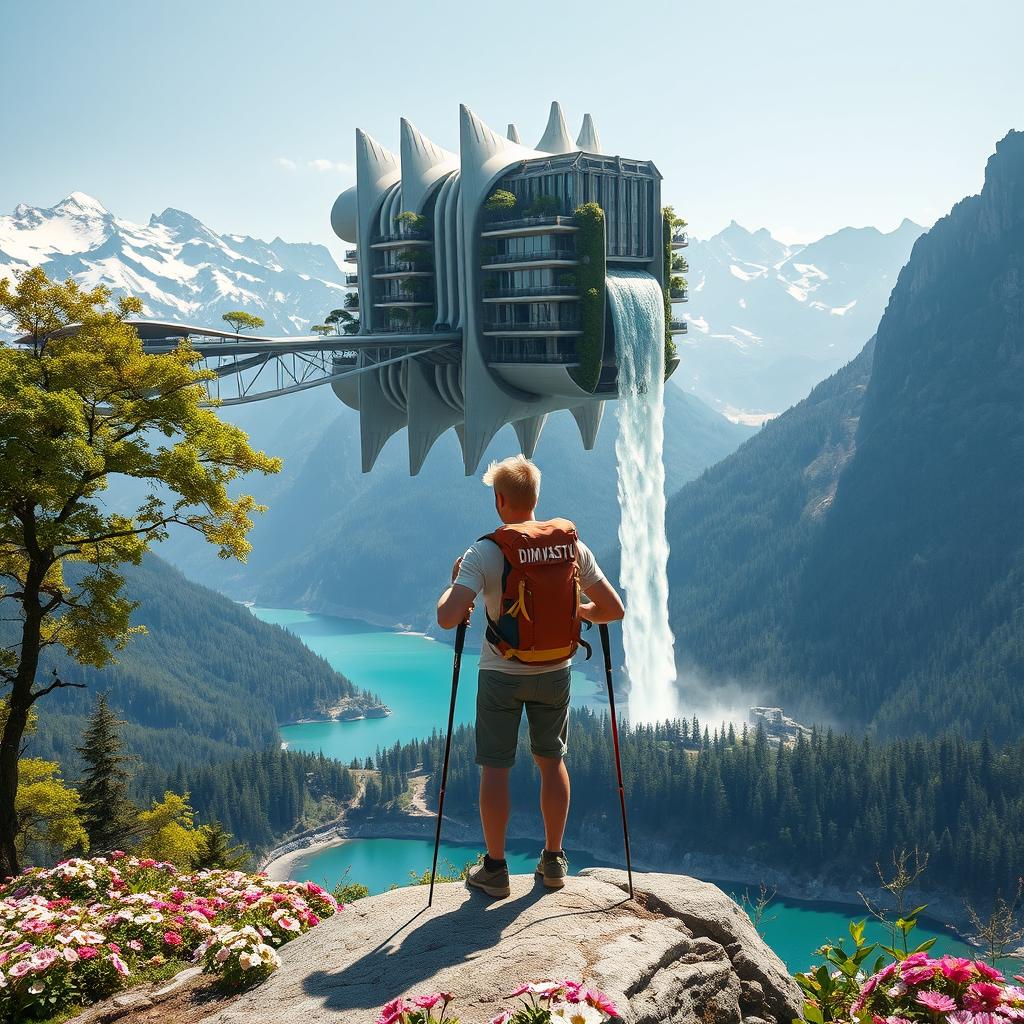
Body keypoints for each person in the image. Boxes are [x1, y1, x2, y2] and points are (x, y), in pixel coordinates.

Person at [436, 454, 625, 898]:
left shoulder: (484, 551)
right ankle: (554, 860)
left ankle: (496, 869)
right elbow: (613, 609)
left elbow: (448, 617)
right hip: (556, 671)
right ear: (535, 498)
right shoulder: (571, 546)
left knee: (496, 769)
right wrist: (575, 610)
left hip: (501, 673)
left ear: (500, 500)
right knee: (551, 760)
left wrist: (453, 584)